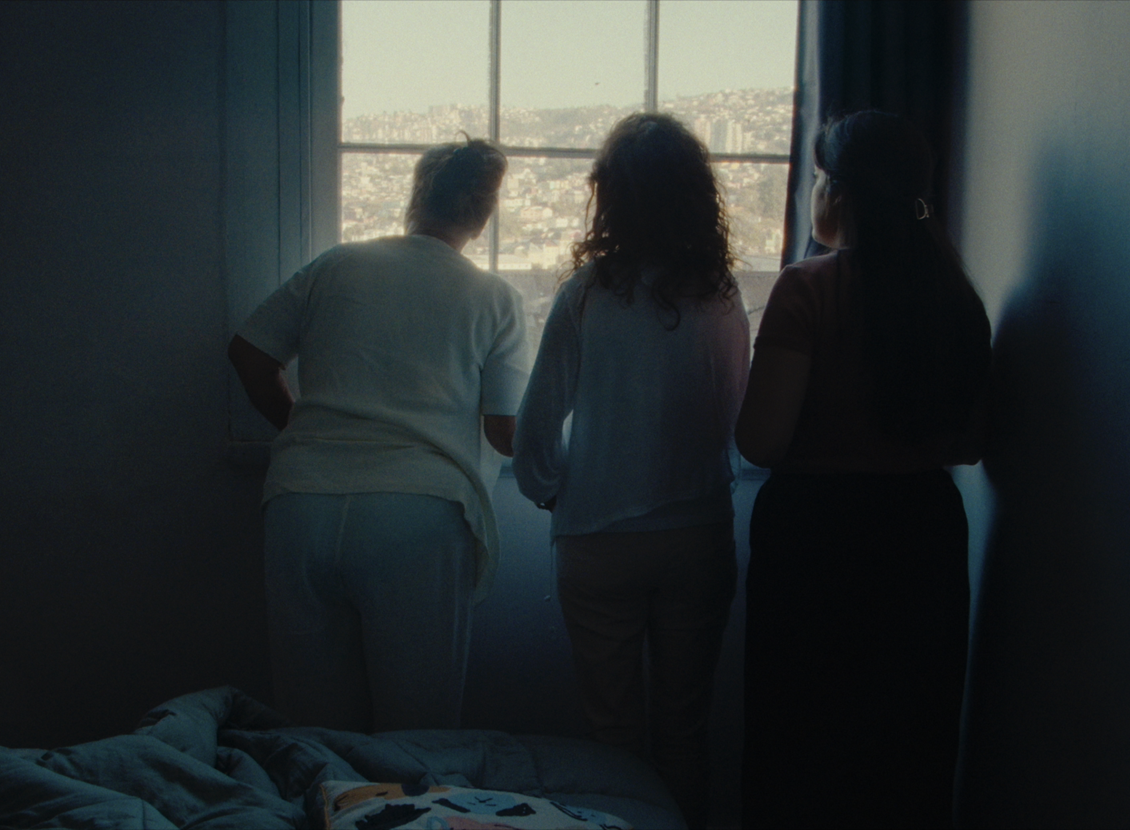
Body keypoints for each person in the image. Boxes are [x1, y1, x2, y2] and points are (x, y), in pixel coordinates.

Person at [735, 111, 992, 828]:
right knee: (907, 740)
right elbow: (970, 444)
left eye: (820, 178)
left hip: (815, 535)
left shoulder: (806, 288)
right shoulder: (956, 296)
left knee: (802, 738)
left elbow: (761, 440)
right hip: (922, 532)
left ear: (842, 194)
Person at [228, 137, 531, 734]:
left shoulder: (336, 265)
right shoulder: (493, 296)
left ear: (417, 196)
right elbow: (504, 431)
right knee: (418, 728)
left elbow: (249, 353)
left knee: (313, 728)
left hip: (302, 501)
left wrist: (304, 429)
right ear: (484, 213)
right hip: (417, 512)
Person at [513, 112, 748, 830]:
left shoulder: (587, 292)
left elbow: (536, 426)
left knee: (611, 733)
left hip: (599, 535)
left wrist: (552, 491)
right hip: (697, 532)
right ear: (695, 195)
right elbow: (739, 418)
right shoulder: (719, 291)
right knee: (685, 727)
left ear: (610, 193)